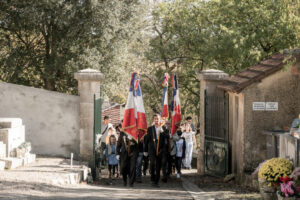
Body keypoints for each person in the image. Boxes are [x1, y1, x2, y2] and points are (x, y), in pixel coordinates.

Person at [144, 114, 168, 187]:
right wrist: (145, 150)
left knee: (158, 166)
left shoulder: (163, 127)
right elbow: (147, 139)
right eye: (155, 119)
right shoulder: (150, 128)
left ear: (160, 119)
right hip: (152, 149)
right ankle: (152, 179)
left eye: (157, 119)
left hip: (160, 149)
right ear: (153, 120)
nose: (156, 120)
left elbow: (167, 137)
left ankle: (156, 181)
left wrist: (162, 132)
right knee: (152, 164)